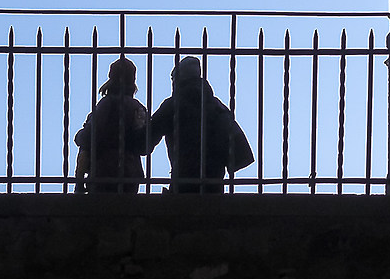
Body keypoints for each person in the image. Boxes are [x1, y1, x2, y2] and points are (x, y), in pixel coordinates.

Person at [149, 55, 255, 195]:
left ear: (178, 79)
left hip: (182, 185)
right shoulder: (217, 107)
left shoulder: (172, 106)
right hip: (213, 187)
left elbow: (145, 142)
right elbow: (241, 153)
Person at [73, 58, 152, 196]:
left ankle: (78, 183)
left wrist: (79, 136)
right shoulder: (138, 108)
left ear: (111, 76)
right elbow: (144, 146)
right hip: (130, 174)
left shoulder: (107, 104)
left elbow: (90, 137)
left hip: (103, 171)